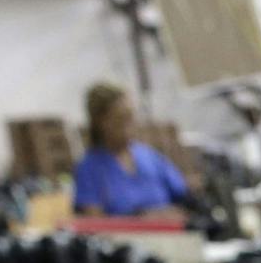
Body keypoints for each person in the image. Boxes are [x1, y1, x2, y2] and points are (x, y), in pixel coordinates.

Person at [72, 81, 188, 217]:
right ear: (101, 122)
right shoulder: (90, 168)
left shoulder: (149, 157)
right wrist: (140, 219)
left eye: (131, 117)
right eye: (121, 119)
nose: (130, 126)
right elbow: (93, 223)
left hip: (174, 235)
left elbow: (183, 195)